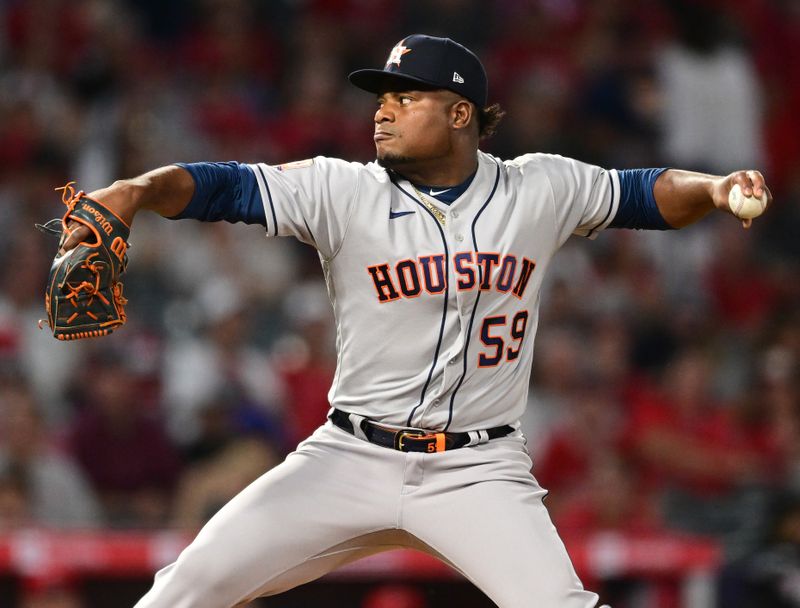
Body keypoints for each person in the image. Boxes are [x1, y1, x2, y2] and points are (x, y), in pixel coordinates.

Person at [57, 34, 772, 608]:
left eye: (405, 97)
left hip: (477, 469)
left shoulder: (540, 187)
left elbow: (643, 194)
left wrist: (713, 187)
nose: (383, 110)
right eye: (381, 98)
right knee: (185, 591)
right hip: (348, 457)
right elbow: (224, 185)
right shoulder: (344, 191)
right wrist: (139, 189)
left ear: (460, 113)